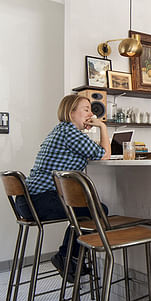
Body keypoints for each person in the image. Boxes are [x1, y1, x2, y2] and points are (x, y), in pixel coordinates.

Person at [16, 94, 111, 280]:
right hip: (39, 200)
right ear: (71, 112)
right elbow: (104, 154)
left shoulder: (63, 131)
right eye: (86, 109)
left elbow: (97, 152)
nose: (91, 114)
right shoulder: (70, 132)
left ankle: (69, 257)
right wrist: (103, 127)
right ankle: (68, 257)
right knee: (97, 210)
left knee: (89, 211)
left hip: (29, 201)